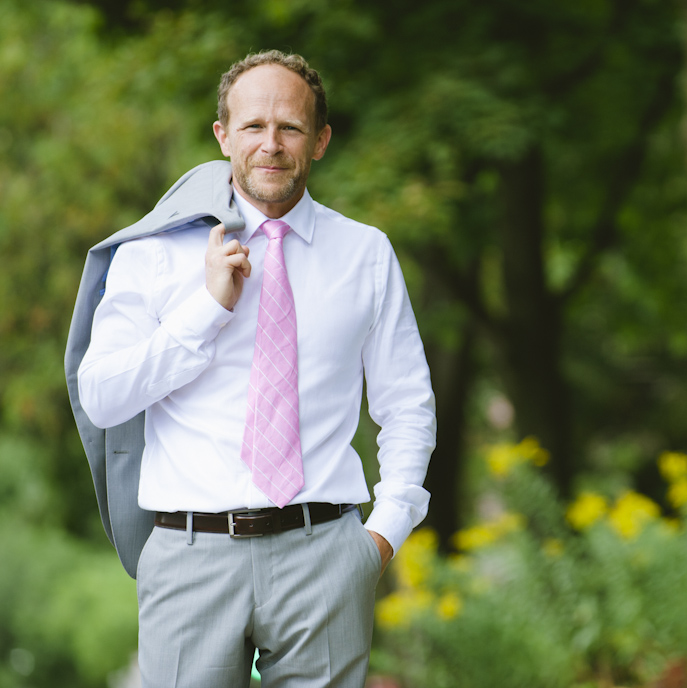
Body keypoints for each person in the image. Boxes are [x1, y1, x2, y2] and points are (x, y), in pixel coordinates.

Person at [71, 50, 436, 687]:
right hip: (190, 559)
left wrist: (381, 537)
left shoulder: (366, 254)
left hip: (326, 553)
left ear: (319, 140)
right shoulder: (153, 254)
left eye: (290, 127)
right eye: (252, 127)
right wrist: (206, 309)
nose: (270, 144)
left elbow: (407, 405)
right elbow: (102, 396)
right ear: (223, 136)